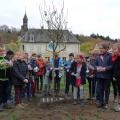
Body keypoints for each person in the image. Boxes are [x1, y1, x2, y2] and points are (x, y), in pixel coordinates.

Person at [95, 42, 112, 109]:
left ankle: (106, 103)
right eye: (100, 48)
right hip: (99, 76)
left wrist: (105, 68)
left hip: (107, 76)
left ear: (106, 49)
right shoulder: (98, 56)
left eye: (102, 48)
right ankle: (100, 102)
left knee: (106, 90)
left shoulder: (110, 55)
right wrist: (97, 68)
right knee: (99, 90)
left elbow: (111, 66)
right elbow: (95, 65)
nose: (101, 50)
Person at [112, 43, 120, 112]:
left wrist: (115, 76)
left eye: (115, 49)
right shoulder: (115, 57)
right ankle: (118, 105)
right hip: (117, 78)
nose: (114, 50)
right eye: (113, 49)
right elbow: (114, 68)